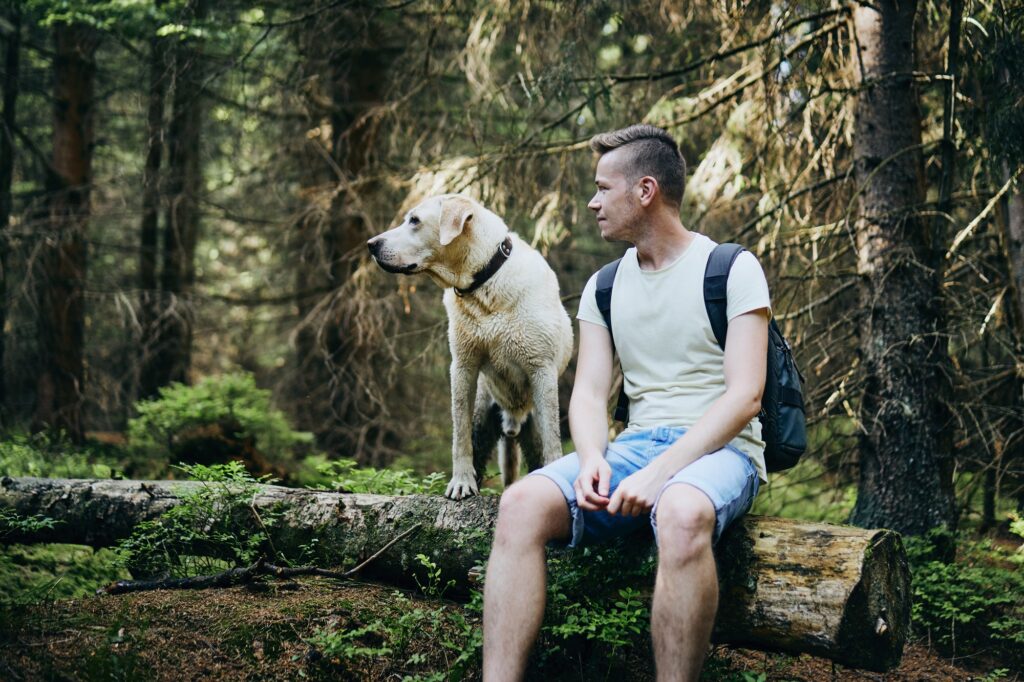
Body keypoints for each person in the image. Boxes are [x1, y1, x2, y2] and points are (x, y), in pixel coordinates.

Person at [482, 123, 771, 682]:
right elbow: (589, 393)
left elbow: (745, 397)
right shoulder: (604, 286)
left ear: (645, 191)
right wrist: (592, 455)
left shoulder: (732, 269)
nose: (593, 203)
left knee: (682, 511)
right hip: (636, 448)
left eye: (602, 188)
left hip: (723, 451)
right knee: (518, 506)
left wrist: (664, 473)